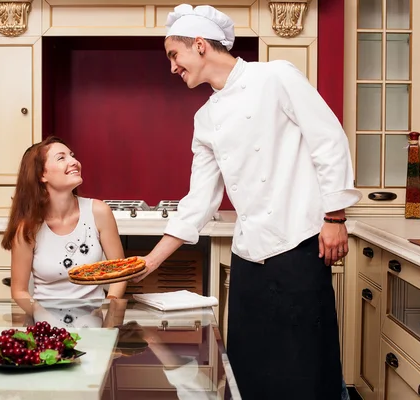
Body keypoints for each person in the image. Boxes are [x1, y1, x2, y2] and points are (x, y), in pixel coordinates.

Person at [134, 4, 362, 399]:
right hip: (248, 258)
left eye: (174, 55)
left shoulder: (275, 75)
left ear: (201, 45)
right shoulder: (205, 118)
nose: (172, 67)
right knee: (245, 369)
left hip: (298, 247)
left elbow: (329, 140)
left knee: (306, 369)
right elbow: (199, 200)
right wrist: (149, 262)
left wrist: (335, 216)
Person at [1, 136, 127, 316]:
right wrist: (46, 323)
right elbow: (19, 291)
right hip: (47, 330)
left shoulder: (99, 211)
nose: (74, 162)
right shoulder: (27, 228)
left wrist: (108, 313)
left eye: (72, 155)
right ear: (41, 175)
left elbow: (120, 273)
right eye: (61, 158)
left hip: (94, 326)